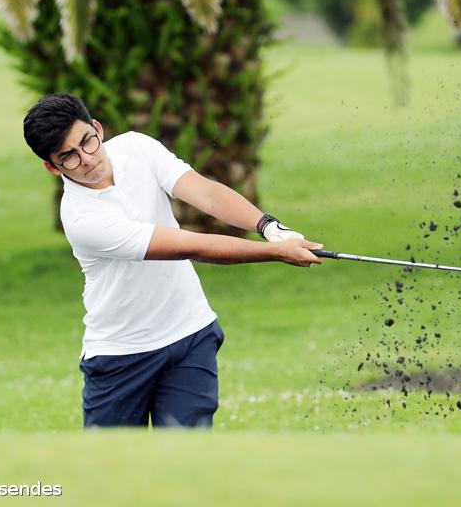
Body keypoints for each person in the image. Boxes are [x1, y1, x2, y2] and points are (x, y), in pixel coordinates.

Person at [22, 93, 323, 429]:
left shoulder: (136, 147)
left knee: (188, 461)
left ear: (97, 128)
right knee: (112, 471)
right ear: (52, 167)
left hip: (190, 335)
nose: (87, 159)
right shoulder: (81, 218)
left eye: (88, 142)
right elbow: (188, 246)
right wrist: (276, 252)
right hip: (121, 356)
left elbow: (205, 193)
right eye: (69, 157)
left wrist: (271, 229)